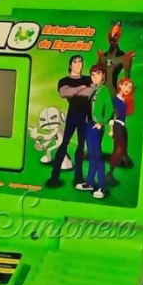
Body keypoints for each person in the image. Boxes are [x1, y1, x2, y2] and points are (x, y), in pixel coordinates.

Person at [45, 55, 96, 188]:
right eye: (75, 61)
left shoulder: (88, 79)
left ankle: (78, 178)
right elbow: (64, 93)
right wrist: (80, 88)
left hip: (85, 116)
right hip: (72, 115)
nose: (78, 64)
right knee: (64, 145)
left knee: (80, 147)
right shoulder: (64, 81)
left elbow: (89, 92)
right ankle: (54, 177)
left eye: (80, 61)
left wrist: (76, 91)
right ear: (70, 65)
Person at [76, 64, 114, 199]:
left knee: (97, 156)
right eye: (92, 74)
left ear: (103, 75)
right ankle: (90, 182)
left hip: (95, 126)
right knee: (92, 155)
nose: (95, 76)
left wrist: (101, 122)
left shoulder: (104, 90)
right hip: (88, 124)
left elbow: (110, 108)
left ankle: (102, 187)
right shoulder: (94, 89)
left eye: (98, 73)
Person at [106, 78, 135, 186]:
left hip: (122, 126)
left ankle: (111, 173)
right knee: (118, 150)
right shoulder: (114, 100)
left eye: (130, 87)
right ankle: (109, 174)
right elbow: (111, 115)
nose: (128, 88)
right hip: (117, 125)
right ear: (120, 85)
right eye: (126, 85)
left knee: (121, 149)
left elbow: (127, 113)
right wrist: (111, 130)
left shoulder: (125, 100)